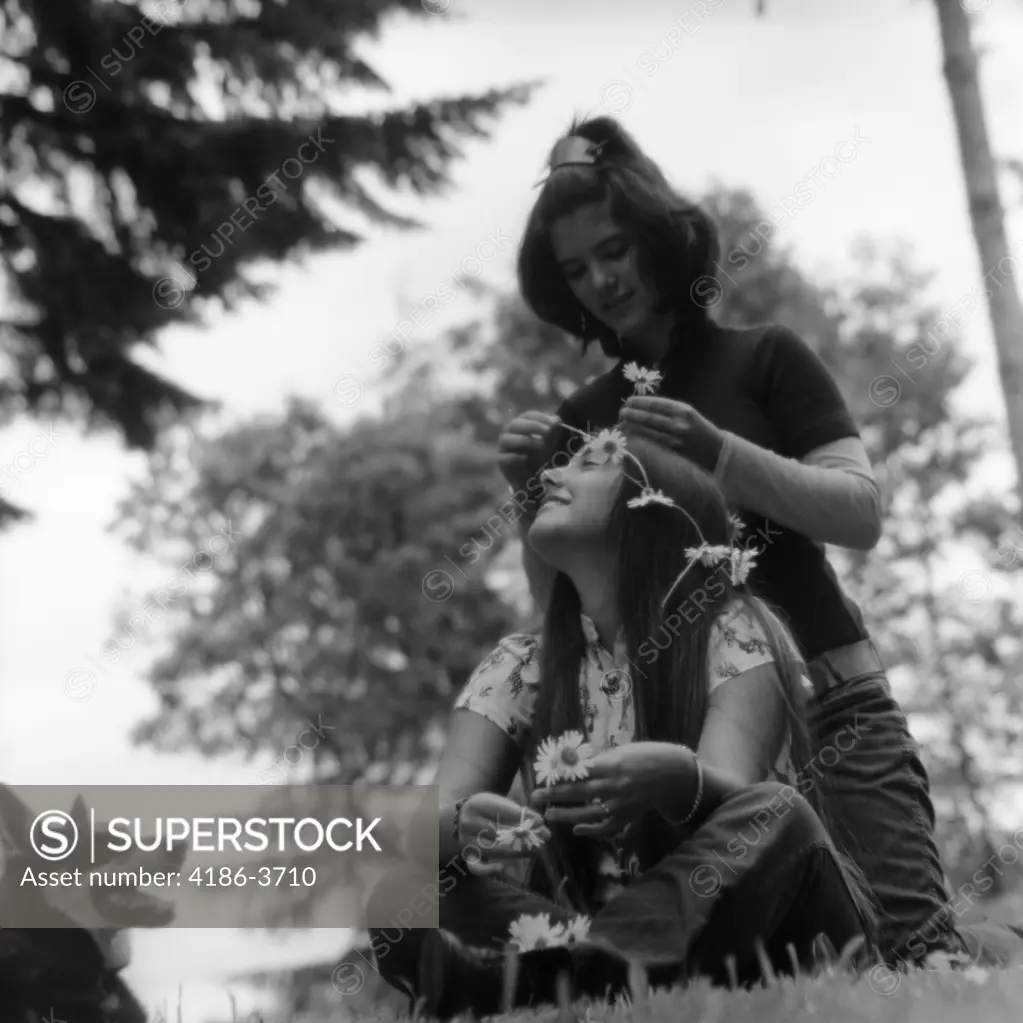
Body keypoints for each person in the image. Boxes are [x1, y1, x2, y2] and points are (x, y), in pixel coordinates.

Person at [498, 115, 960, 965]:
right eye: (574, 269)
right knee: (777, 969)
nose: (599, 280)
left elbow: (857, 510)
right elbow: (562, 600)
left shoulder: (765, 358)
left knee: (918, 951)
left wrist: (718, 453)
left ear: (657, 238)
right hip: (695, 734)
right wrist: (527, 493)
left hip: (831, 703)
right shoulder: (580, 420)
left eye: (613, 250)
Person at [368, 430, 876, 1019]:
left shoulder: (732, 629)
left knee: (776, 812)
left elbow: (739, 794)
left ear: (652, 505)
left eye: (588, 465)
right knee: (401, 894)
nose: (552, 477)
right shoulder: (519, 666)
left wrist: (679, 778)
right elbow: (423, 830)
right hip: (604, 937)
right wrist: (460, 824)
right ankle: (593, 974)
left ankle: (547, 984)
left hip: (758, 927)